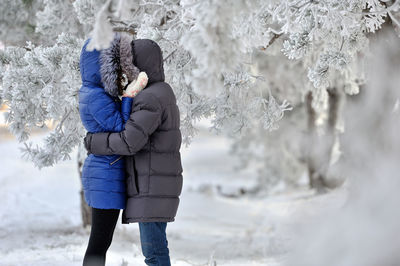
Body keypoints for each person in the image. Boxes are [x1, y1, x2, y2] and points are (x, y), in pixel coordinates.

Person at [84, 38, 183, 266]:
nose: (125, 71)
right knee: (155, 250)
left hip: (152, 184)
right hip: (155, 181)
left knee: (154, 253)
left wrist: (94, 142)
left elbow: (129, 141)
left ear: (138, 65)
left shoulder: (150, 97)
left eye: (129, 64)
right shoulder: (161, 92)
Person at [79, 33, 148, 266]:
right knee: (99, 241)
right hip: (104, 175)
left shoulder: (96, 93)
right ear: (102, 66)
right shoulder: (96, 96)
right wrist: (129, 96)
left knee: (101, 241)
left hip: (105, 173)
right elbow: (122, 127)